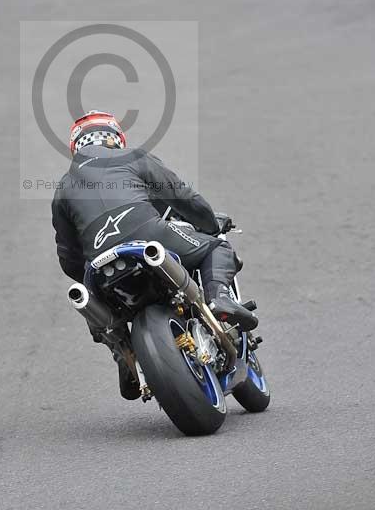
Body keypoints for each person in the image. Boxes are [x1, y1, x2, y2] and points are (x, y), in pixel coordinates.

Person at [52, 111, 258, 396]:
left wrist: (89, 273)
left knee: (93, 305)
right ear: (115, 139)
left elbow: (68, 255)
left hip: (100, 261)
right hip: (147, 233)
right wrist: (210, 225)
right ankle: (219, 298)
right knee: (216, 248)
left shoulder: (63, 188)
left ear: (76, 146)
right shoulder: (132, 158)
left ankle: (124, 358)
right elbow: (181, 196)